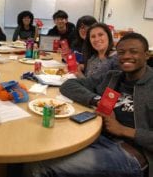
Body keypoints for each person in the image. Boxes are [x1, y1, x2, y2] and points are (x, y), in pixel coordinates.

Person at [23, 32, 152, 177]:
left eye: (133, 52)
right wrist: (97, 100)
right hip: (95, 136)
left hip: (131, 153)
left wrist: (123, 130)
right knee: (36, 148)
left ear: (146, 55)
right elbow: (69, 85)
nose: (126, 56)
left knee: (40, 165)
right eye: (121, 52)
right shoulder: (113, 77)